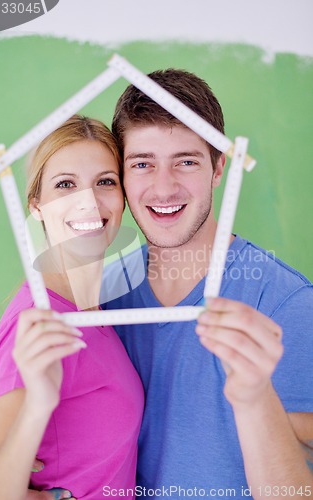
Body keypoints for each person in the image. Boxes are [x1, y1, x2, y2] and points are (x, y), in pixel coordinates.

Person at [101, 69, 313, 498]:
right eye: (142, 164)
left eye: (186, 161)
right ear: (121, 177)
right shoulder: (102, 298)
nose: (164, 187)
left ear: (219, 168)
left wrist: (255, 400)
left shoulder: (286, 302)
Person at [0, 115, 144, 500]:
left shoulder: (96, 309)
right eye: (65, 185)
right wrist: (37, 405)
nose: (87, 201)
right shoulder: (39, 324)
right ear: (36, 205)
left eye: (105, 181)